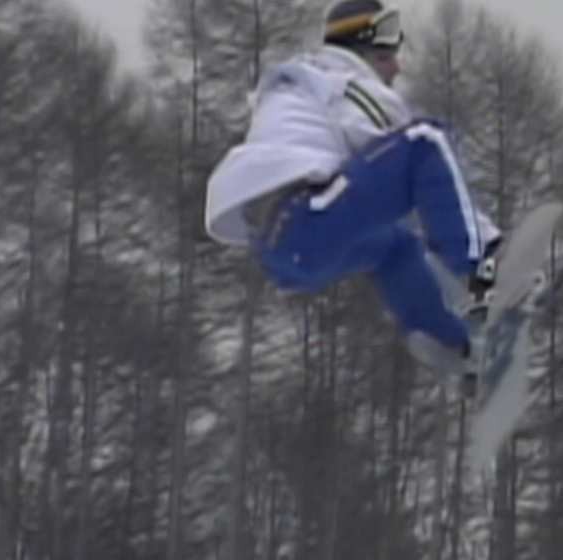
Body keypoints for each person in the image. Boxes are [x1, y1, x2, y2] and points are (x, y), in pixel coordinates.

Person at [205, 0, 516, 383]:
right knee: (428, 140)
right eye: (387, 57)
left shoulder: (299, 85)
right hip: (310, 217)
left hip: (284, 252)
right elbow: (407, 147)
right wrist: (489, 244)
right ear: (361, 51)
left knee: (397, 246)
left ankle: (450, 345)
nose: (396, 69)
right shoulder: (341, 82)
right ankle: (484, 269)